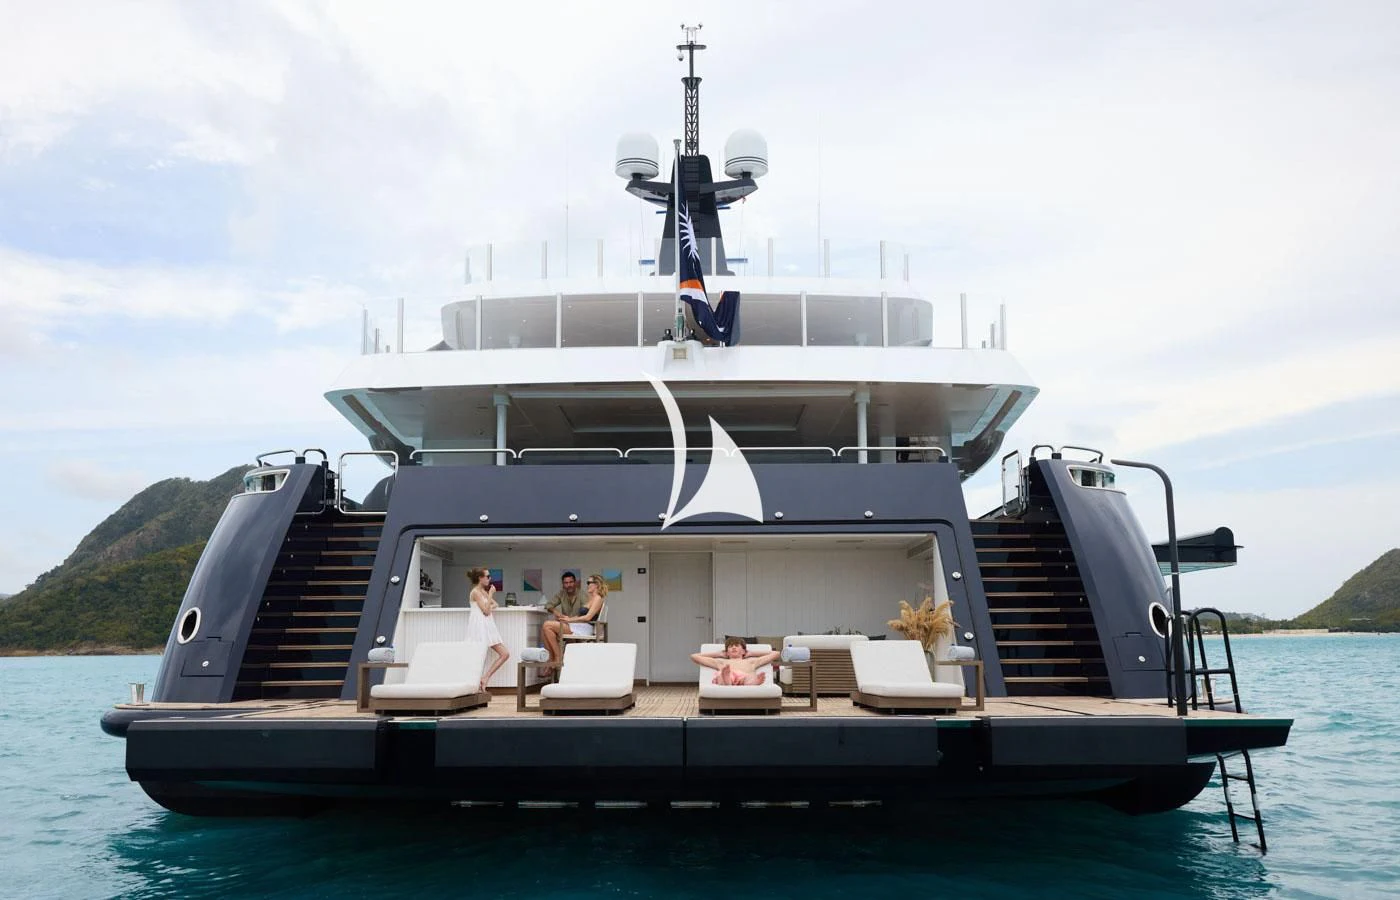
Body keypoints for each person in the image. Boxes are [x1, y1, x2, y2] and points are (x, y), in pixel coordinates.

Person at [539, 573, 606, 675]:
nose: (587, 585)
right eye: (587, 583)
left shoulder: (598, 598)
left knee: (547, 625)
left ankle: (558, 657)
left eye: (589, 583)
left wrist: (569, 620)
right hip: (579, 625)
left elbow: (588, 617)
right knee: (545, 629)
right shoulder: (592, 597)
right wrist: (567, 618)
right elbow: (581, 615)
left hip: (585, 628)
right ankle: (552, 658)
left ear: (596, 584)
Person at [465, 567, 511, 692]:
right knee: (479, 656)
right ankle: (475, 684)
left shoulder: (482, 592)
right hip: (479, 626)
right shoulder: (475, 592)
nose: (490, 579)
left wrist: (489, 598)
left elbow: (495, 605)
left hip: (488, 626)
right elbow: (486, 611)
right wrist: (490, 595)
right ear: (480, 578)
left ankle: (485, 678)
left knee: (505, 654)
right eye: (487, 576)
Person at [691, 637, 780, 686]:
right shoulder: (721, 662)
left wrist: (753, 653)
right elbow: (694, 656)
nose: (733, 647)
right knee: (722, 674)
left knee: (747, 677)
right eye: (730, 647)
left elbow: (776, 654)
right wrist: (717, 654)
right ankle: (727, 680)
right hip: (726, 677)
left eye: (737, 646)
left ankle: (751, 682)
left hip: (744, 679)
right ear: (727, 653)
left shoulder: (752, 661)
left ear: (744, 651)